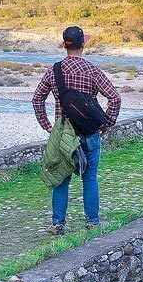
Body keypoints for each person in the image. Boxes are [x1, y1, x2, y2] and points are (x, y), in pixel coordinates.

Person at [32, 25, 121, 235]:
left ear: (65, 45)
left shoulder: (54, 71)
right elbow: (114, 98)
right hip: (89, 133)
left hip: (63, 134)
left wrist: (47, 126)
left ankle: (57, 224)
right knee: (90, 178)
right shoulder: (92, 70)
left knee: (61, 179)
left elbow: (37, 99)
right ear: (83, 44)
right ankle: (92, 222)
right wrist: (107, 122)